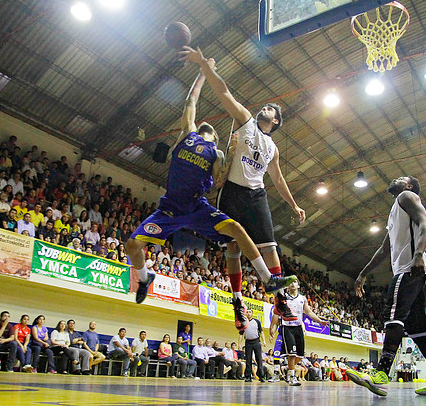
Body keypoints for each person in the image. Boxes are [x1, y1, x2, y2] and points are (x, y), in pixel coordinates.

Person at [125, 58, 296, 332]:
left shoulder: (216, 153)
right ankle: (144, 278)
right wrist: (202, 74)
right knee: (131, 246)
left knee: (238, 231)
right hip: (169, 209)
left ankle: (268, 280)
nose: (212, 136)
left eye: (215, 137)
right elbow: (190, 104)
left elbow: (218, 182)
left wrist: (229, 154)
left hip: (197, 208)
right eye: (211, 134)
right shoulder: (187, 135)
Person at [179, 45, 306, 325]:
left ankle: (280, 301)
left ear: (276, 121)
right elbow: (223, 91)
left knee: (270, 247)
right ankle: (238, 303)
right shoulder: (245, 121)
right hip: (232, 192)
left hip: (256, 195)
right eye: (265, 106)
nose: (265, 108)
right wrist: (204, 66)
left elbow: (278, 178)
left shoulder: (272, 147)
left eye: (270, 110)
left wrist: (294, 205)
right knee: (233, 249)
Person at [347, 176, 426, 397]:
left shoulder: (407, 197)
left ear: (409, 186)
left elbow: (425, 223)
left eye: (402, 178)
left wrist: (418, 254)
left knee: (393, 315)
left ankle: (381, 374)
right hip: (411, 268)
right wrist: (363, 273)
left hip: (410, 267)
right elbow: (384, 250)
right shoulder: (396, 211)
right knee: (417, 329)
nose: (396, 178)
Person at [269, 279, 328, 386]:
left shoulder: (302, 298)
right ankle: (292, 377)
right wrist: (272, 327)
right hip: (287, 327)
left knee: (300, 356)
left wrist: (320, 321)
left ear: (298, 286)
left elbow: (309, 312)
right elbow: (276, 313)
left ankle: (287, 368)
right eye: (290, 282)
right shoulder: (283, 297)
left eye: (295, 282)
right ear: (287, 286)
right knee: (291, 354)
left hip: (298, 328)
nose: (292, 283)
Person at [239, 309, 266, 382]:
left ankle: (261, 376)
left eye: (250, 312)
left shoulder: (256, 321)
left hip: (256, 342)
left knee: (259, 359)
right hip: (248, 342)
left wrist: (264, 341)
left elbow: (261, 332)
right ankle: (248, 377)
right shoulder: (244, 322)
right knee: (248, 359)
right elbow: (241, 334)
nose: (248, 313)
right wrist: (239, 343)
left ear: (252, 314)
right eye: (247, 312)